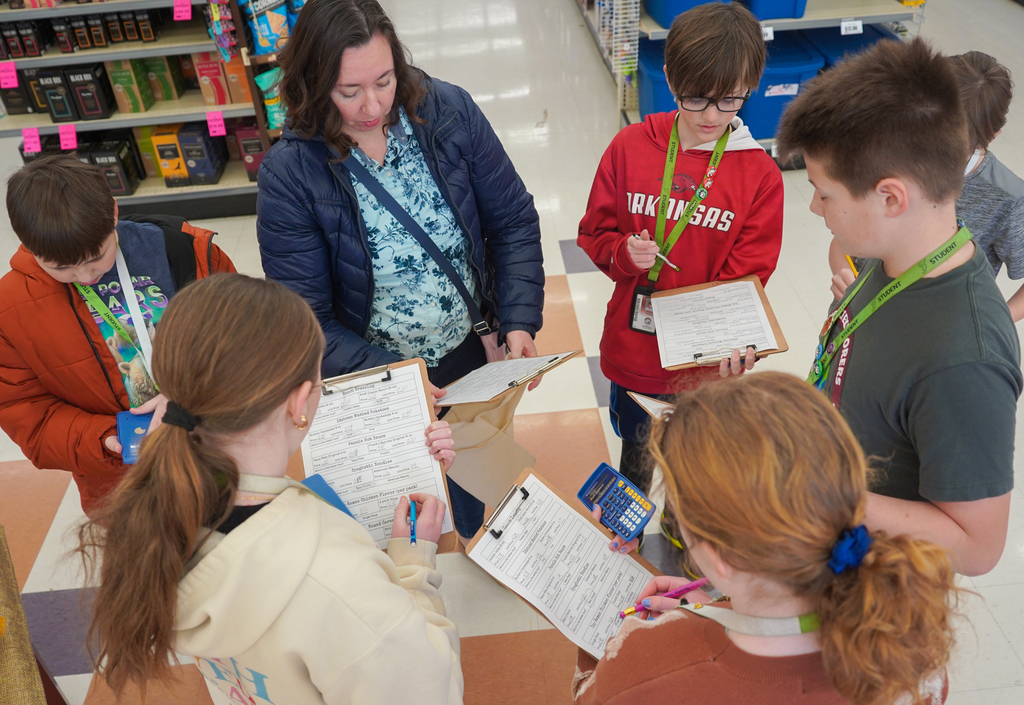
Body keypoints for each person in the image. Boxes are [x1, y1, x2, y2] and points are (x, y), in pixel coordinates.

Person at [79, 274, 463, 704]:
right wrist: (412, 567)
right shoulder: (338, 581)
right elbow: (429, 690)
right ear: (299, 404)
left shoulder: (159, 507)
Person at [256, 0, 545, 541]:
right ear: (315, 85)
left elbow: (511, 221)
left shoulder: (447, 111)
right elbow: (305, 319)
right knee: (397, 517)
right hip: (374, 376)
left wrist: (518, 319)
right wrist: (402, 378)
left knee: (472, 485)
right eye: (349, 92)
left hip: (469, 353)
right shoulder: (290, 174)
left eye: (385, 82)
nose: (372, 106)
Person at [776, 38, 1021, 576]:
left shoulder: (964, 359)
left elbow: (978, 548)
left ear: (891, 197)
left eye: (824, 192)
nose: (813, 207)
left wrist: (824, 494)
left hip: (878, 599)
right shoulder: (887, 261)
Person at [573, 372, 957, 705]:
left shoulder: (640, 670)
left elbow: (589, 694)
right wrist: (722, 607)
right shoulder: (913, 654)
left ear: (718, 560)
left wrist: (614, 641)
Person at [577, 2, 783, 500]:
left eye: (730, 100)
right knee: (636, 456)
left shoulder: (759, 176)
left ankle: (681, 541)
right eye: (696, 99)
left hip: (705, 365)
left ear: (749, 87)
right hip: (634, 348)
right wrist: (624, 253)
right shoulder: (629, 147)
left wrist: (732, 339)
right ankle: (624, 543)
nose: (711, 116)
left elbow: (748, 278)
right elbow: (593, 232)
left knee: (694, 471)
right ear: (670, 79)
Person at [0, 154, 235, 515]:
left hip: (219, 448)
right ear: (27, 244)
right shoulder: (12, 308)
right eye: (62, 267)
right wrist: (106, 440)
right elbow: (24, 411)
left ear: (113, 213)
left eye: (97, 255)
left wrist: (199, 397)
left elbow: (244, 338)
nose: (85, 275)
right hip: (122, 485)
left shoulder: (186, 252)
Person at [827, 52, 1024, 321]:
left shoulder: (1009, 197)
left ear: (992, 136)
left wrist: (998, 319)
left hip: (940, 339)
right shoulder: (883, 153)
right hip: (857, 318)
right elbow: (841, 242)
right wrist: (848, 283)